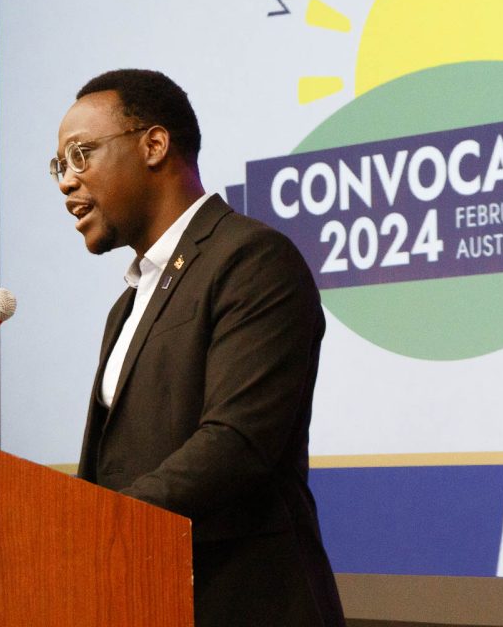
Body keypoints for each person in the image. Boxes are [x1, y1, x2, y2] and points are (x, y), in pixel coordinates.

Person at [52, 69, 345, 627]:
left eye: (80, 154)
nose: (67, 181)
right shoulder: (128, 305)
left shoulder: (251, 259)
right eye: (60, 166)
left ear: (154, 145)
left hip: (243, 601)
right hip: (145, 597)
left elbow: (236, 442)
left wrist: (100, 525)